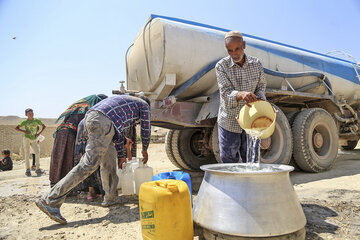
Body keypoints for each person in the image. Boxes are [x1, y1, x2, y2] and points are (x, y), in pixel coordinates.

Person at [36, 95, 151, 225]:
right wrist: (145, 149)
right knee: (88, 164)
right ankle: (50, 200)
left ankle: (110, 197)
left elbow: (117, 133)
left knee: (109, 161)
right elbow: (146, 128)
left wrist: (122, 155)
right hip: (101, 122)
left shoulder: (125, 103)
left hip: (95, 119)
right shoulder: (144, 105)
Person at [215, 31, 266, 163]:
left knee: (251, 160)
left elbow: (261, 87)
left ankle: (249, 183)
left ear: (244, 45)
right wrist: (241, 94)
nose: (234, 54)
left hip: (251, 121)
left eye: (237, 49)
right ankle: (232, 184)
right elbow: (226, 93)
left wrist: (259, 99)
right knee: (228, 160)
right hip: (230, 121)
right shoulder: (221, 66)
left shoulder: (256, 64)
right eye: (230, 51)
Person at [49, 94, 107, 187]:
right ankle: (66, 187)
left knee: (59, 157)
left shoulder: (81, 104)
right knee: (68, 158)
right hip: (69, 133)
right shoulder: (91, 107)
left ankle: (55, 183)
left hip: (61, 131)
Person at [73, 119, 134, 200]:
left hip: (86, 133)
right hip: (98, 132)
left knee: (88, 162)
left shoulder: (85, 120)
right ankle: (108, 195)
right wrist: (124, 149)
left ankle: (91, 192)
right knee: (103, 165)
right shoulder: (108, 121)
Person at [15, 108, 46, 176]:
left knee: (37, 152)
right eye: (29, 114)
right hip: (26, 138)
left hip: (34, 139)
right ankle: (28, 169)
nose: (31, 115)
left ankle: (37, 169)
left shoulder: (36, 120)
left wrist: (39, 133)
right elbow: (16, 128)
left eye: (32, 113)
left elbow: (44, 126)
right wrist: (24, 131)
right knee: (27, 153)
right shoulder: (25, 122)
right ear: (26, 115)